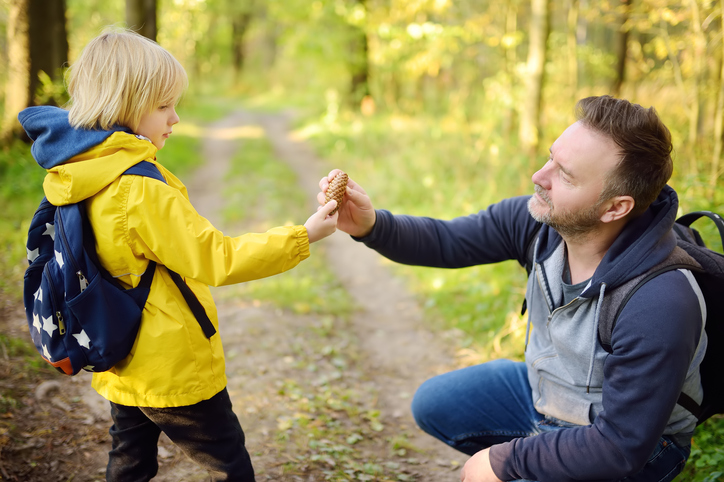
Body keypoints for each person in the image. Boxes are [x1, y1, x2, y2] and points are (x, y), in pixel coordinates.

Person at [319, 95, 706, 482]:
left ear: (614, 208)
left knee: (491, 471)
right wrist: (371, 226)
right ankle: (542, 450)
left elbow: (621, 446)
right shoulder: (539, 223)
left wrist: (506, 461)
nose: (540, 176)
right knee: (436, 403)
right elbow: (446, 240)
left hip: (632, 447)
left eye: (565, 175)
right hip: (549, 396)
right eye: (550, 157)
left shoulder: (661, 301)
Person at [19, 29, 338, 481]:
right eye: (164, 105)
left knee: (128, 462)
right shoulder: (139, 189)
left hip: (118, 353)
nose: (176, 117)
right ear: (127, 105)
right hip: (171, 367)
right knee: (229, 464)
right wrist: (303, 236)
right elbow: (217, 258)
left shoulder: (78, 170)